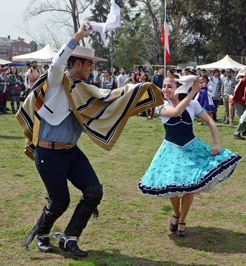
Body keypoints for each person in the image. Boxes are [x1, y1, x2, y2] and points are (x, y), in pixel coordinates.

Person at [17, 22, 163, 256]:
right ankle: (42, 234)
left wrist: (138, 91)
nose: (91, 69)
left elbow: (110, 100)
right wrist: (76, 37)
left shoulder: (85, 89)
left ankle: (69, 238)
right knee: (59, 201)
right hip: (49, 152)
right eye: (88, 64)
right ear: (75, 63)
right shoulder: (56, 82)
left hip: (71, 152)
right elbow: (56, 65)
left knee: (94, 191)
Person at [138, 75, 241, 237]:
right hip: (171, 150)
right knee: (172, 186)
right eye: (164, 86)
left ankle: (182, 220)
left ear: (178, 87)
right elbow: (177, 111)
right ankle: (176, 214)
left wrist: (216, 143)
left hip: (192, 147)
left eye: (169, 86)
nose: (165, 89)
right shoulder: (161, 105)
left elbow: (210, 122)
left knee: (190, 186)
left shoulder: (193, 104)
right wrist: (192, 92)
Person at [231, 68, 246, 140]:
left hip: (241, 102)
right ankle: (236, 134)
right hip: (238, 102)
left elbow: (245, 93)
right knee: (243, 118)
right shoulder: (242, 81)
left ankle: (244, 131)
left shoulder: (244, 83)